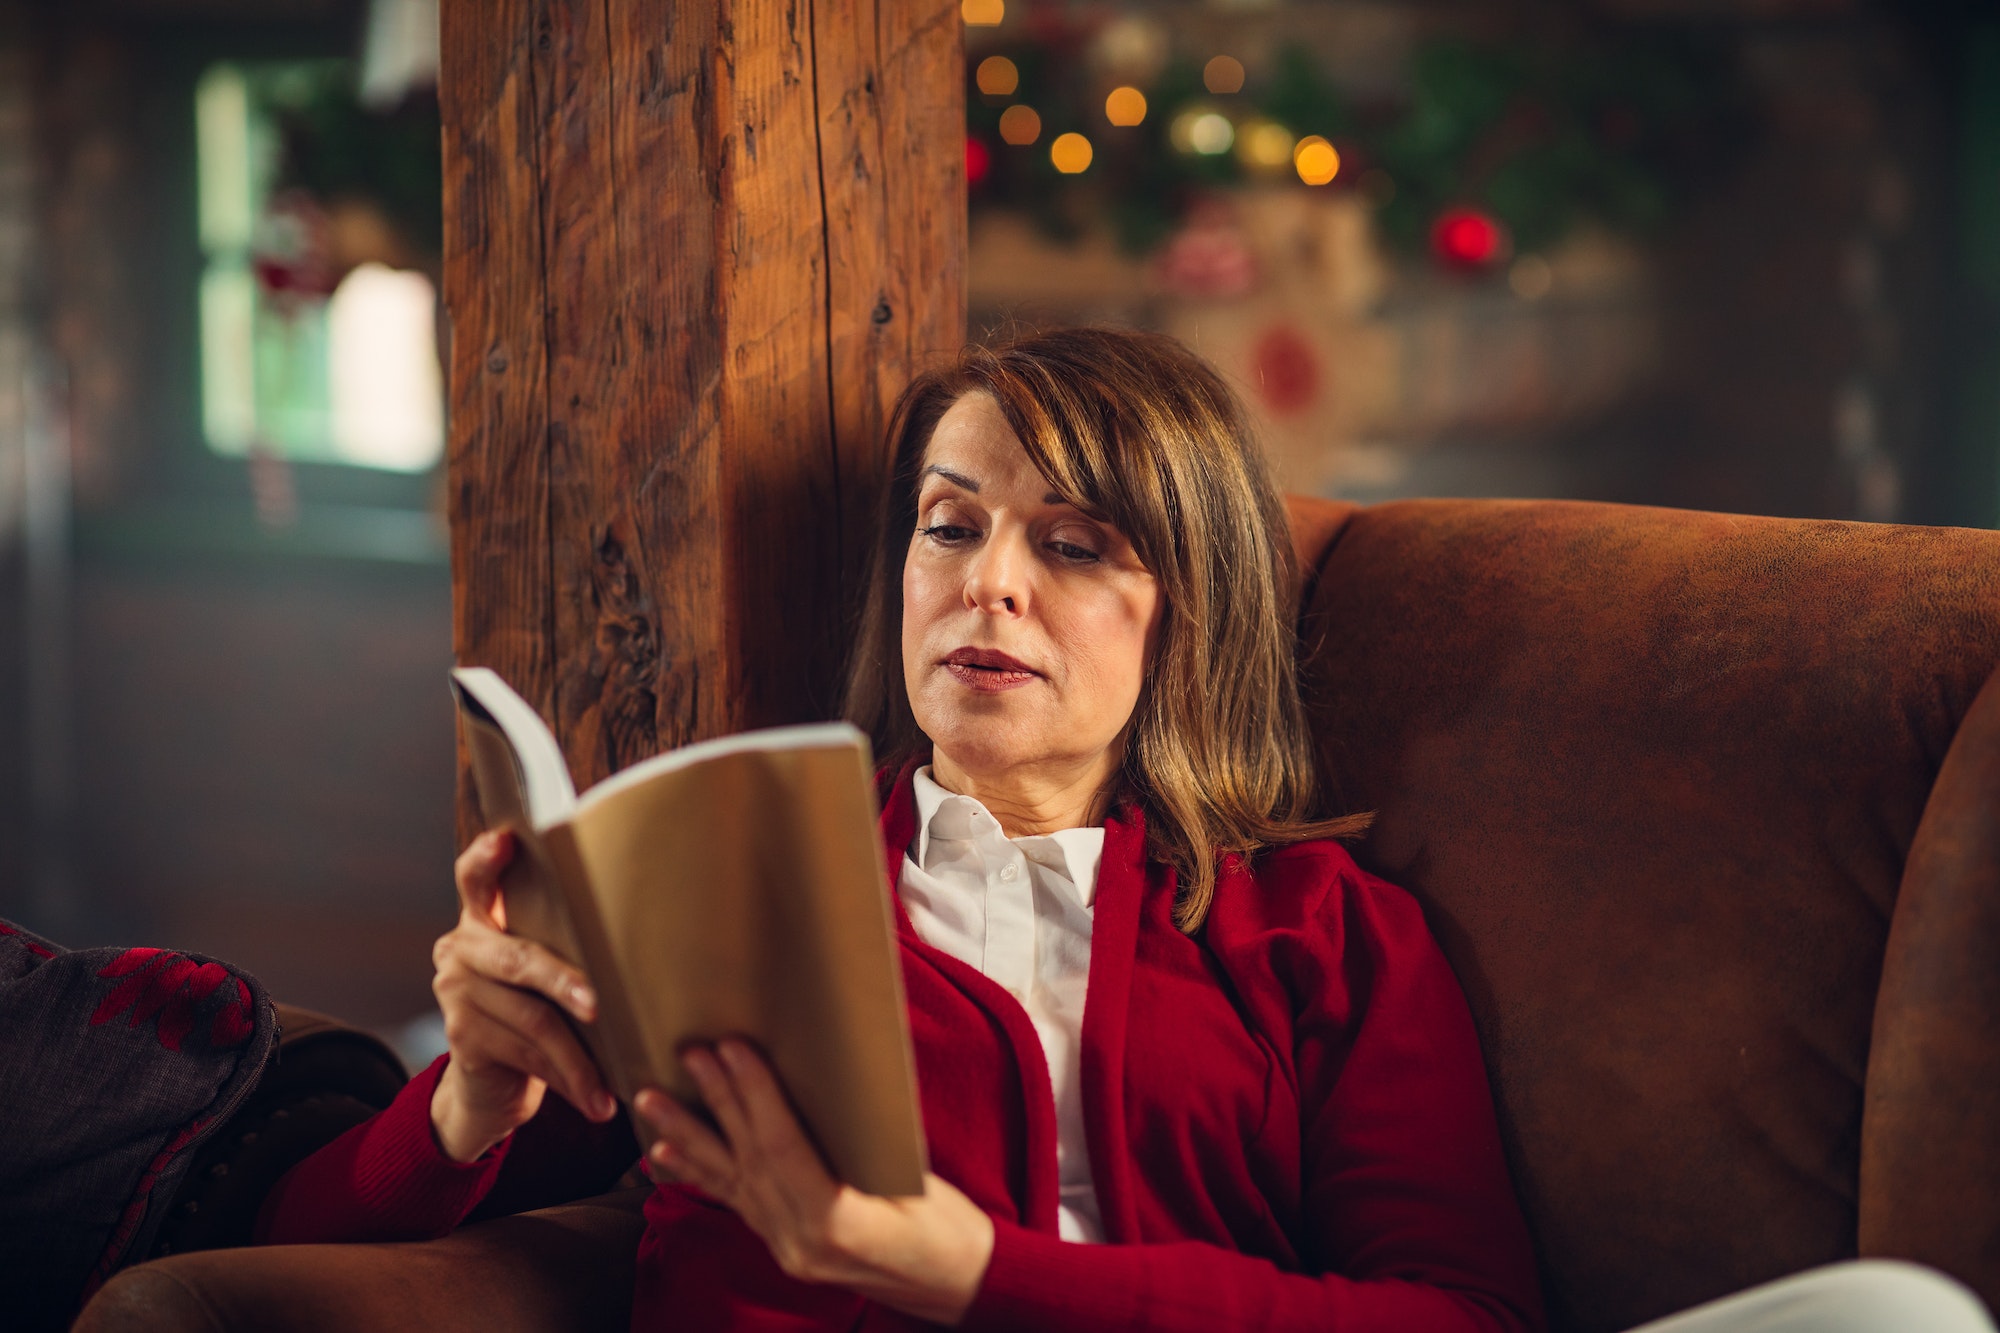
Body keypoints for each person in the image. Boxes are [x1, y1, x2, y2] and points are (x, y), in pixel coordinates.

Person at [255, 328, 1993, 1333]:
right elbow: (301, 1255)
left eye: (1075, 545)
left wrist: (969, 1273)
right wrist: (470, 1098)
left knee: (1895, 1321)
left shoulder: (1319, 925)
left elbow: (1458, 1319)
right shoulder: (736, 886)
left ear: (1189, 614)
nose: (987, 581)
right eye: (950, 526)